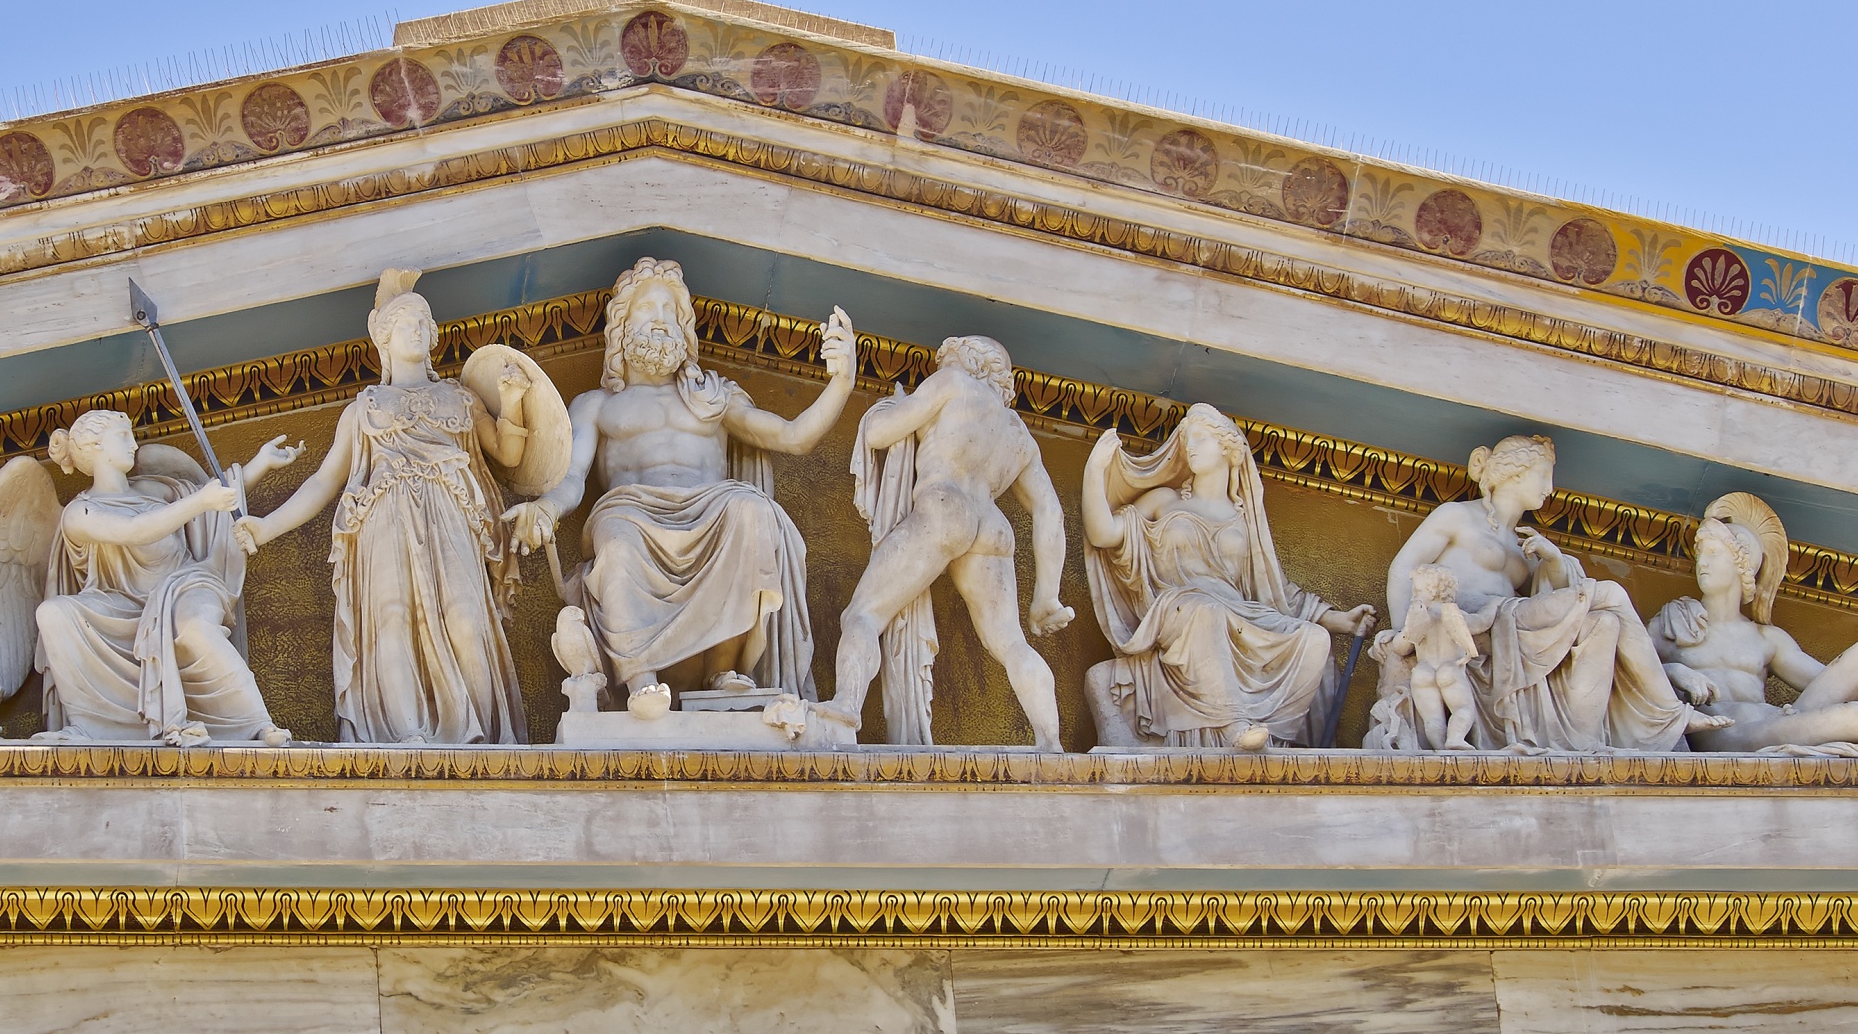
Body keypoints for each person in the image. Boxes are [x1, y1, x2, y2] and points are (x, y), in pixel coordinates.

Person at [510, 256, 855, 715]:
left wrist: (842, 383)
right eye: (646, 309)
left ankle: (723, 672)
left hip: (712, 509)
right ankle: (641, 680)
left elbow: (793, 437)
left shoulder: (713, 397)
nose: (660, 320)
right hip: (633, 512)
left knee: (752, 511)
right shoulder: (597, 405)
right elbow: (571, 477)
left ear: (684, 329)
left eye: (669, 311)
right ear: (621, 327)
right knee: (617, 538)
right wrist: (547, 509)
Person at [235, 270, 529, 744]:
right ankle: (405, 734)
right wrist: (266, 527)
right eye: (406, 322)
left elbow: (508, 454)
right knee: (390, 619)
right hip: (384, 518)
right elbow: (323, 481)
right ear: (385, 339)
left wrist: (512, 402)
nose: (417, 329)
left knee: (466, 618)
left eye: (424, 322)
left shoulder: (460, 398)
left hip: (450, 515)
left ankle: (485, 740)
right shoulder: (364, 408)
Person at [1371, 434, 1719, 752]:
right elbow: (1404, 568)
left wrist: (1553, 560)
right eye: (1543, 476)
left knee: (1603, 623)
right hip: (1474, 618)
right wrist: (1403, 629)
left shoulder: (1525, 544)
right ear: (1515, 473)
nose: (1550, 489)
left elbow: (1551, 601)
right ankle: (1670, 711)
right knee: (1611, 593)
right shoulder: (1457, 516)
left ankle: (1582, 740)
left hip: (1508, 623)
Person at [819, 335, 1074, 749]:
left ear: (971, 362)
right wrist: (1046, 596)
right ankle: (1051, 742)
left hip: (944, 507)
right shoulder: (1018, 433)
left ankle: (846, 708)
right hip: (992, 527)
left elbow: (880, 434)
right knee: (1011, 644)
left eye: (948, 357)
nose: (941, 365)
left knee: (863, 615)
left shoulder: (953, 383)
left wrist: (890, 407)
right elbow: (1051, 512)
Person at [1081, 404, 1374, 749]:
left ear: (1228, 448)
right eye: (1187, 440)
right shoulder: (1164, 500)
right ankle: (1234, 727)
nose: (1190, 447)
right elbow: (1103, 534)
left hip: (1239, 614)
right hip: (1181, 608)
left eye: (1200, 438)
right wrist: (1095, 470)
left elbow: (1277, 591)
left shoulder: (1244, 522)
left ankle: (1277, 741)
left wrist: (1340, 621)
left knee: (1314, 639)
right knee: (1207, 611)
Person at [29, 409, 300, 745]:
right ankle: (94, 726)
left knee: (194, 627)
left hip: (184, 585)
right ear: (96, 446)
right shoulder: (79, 512)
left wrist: (260, 463)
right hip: (121, 605)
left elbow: (218, 499)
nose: (134, 445)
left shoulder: (154, 489)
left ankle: (257, 724)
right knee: (53, 613)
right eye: (123, 436)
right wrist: (200, 501)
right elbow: (135, 530)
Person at [1648, 491, 1858, 752]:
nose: (1702, 562)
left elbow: (1827, 685)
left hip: (1777, 723)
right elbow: (1629, 672)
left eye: (1713, 552)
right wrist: (1674, 671)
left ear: (1742, 564)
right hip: (1725, 734)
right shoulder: (1675, 621)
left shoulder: (1767, 638)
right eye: (1700, 553)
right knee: (1852, 718)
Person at [1394, 563, 1480, 751]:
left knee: (1432, 719)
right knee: (1463, 709)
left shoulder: (1418, 618)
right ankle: (1455, 739)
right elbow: (1479, 625)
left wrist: (1406, 632)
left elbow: (1400, 647)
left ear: (1434, 592)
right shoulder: (1457, 616)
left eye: (1417, 591)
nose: (1413, 596)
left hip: (1423, 671)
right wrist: (1492, 609)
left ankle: (1440, 750)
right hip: (1449, 669)